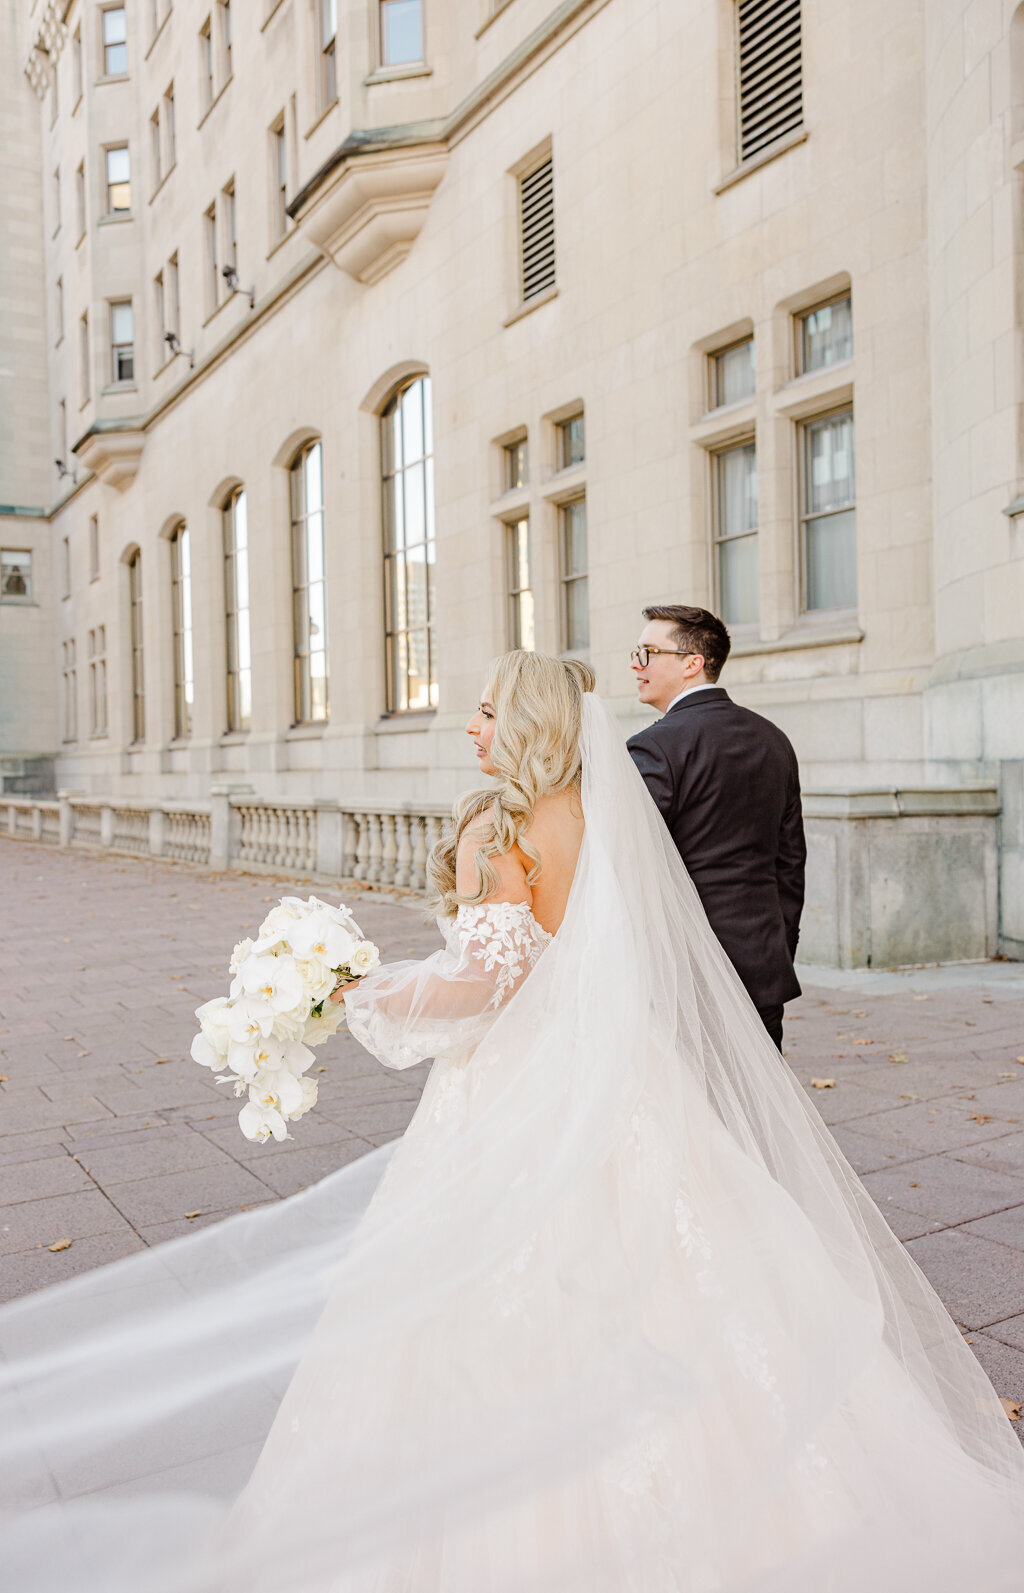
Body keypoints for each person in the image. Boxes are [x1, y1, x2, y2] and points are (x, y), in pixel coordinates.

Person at [1, 650, 1023, 1593]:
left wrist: (353, 986)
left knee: (484, 1285)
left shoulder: (502, 827)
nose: (471, 728)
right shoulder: (598, 817)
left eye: (486, 712)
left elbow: (487, 979)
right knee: (691, 1259)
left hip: (522, 1080)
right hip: (624, 1075)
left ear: (524, 722)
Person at [627, 604, 805, 1050]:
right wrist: (778, 948)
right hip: (762, 962)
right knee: (759, 1113)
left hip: (682, 971)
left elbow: (629, 862)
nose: (636, 664)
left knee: (689, 1112)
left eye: (649, 652)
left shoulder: (654, 747)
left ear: (693, 663)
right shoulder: (774, 739)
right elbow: (790, 865)